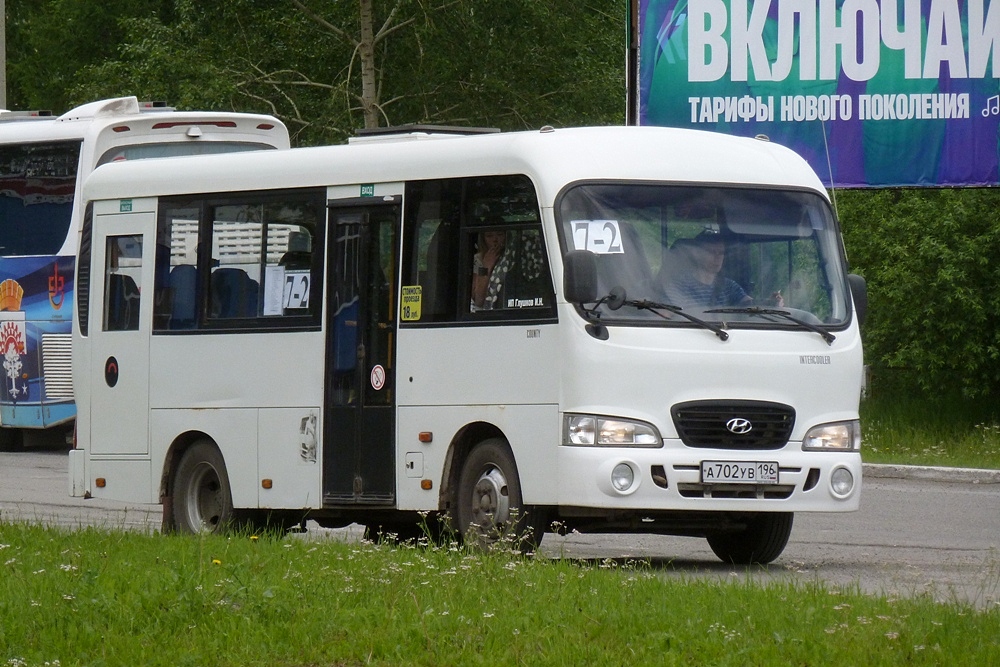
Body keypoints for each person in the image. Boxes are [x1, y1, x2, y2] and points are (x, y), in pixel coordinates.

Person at [665, 230, 782, 308]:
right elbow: (667, 316)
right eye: (711, 252)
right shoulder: (678, 286)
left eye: (721, 253)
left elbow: (750, 305)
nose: (718, 257)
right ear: (697, 254)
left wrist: (770, 303)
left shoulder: (728, 286)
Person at [470, 229, 512, 311]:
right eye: (489, 236)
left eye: (500, 234)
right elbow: (478, 299)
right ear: (483, 239)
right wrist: (486, 267)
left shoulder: (512, 257)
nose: (495, 240)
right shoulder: (478, 259)